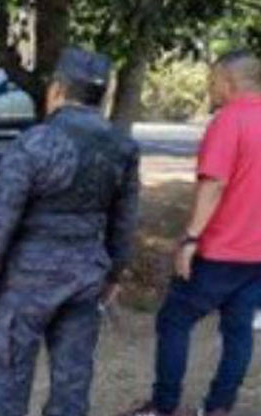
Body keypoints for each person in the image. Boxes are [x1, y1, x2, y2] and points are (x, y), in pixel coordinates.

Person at [0, 47, 140, 416]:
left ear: (57, 89)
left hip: (27, 281)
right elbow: (124, 221)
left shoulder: (33, 143)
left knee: (9, 379)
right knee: (72, 384)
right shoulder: (122, 147)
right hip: (85, 277)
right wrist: (114, 273)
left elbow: (0, 219)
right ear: (103, 94)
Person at [121, 50, 261, 416]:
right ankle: (219, 406)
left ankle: (164, 405)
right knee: (239, 328)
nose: (209, 88)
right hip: (257, 253)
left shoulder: (229, 121)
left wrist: (191, 238)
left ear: (229, 82)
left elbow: (213, 184)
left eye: (213, 80)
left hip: (220, 250)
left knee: (174, 320)